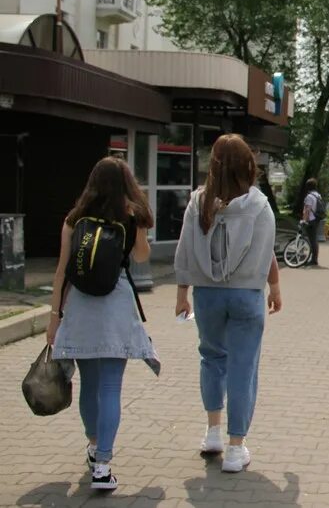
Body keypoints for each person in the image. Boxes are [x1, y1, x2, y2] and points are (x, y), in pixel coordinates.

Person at [47, 157, 159, 492]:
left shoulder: (74, 219)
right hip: (115, 308)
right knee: (111, 387)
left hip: (80, 308)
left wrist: (54, 318)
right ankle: (103, 467)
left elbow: (62, 272)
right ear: (126, 184)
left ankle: (93, 446)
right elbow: (141, 258)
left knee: (89, 385)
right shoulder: (129, 217)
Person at [173, 134, 283, 473]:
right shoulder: (259, 205)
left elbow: (186, 248)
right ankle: (236, 448)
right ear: (248, 165)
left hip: (207, 293)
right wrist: (274, 288)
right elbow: (267, 252)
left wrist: (182, 292)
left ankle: (213, 433)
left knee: (211, 358)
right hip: (246, 294)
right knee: (243, 366)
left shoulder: (198, 203)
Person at [301, 178, 322, 266]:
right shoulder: (318, 195)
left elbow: (307, 210)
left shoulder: (309, 197)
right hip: (316, 219)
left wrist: (304, 220)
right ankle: (313, 258)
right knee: (314, 240)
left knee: (312, 240)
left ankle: (313, 259)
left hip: (311, 220)